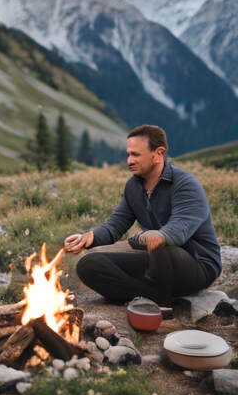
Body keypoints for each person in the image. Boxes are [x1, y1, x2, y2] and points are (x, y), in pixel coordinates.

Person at [64, 125, 221, 310]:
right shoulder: (133, 186)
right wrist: (90, 236)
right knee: (88, 265)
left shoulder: (186, 184)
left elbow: (179, 229)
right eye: (129, 154)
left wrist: (149, 238)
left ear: (158, 153)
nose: (129, 160)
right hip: (157, 263)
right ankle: (151, 296)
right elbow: (116, 224)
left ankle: (158, 303)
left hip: (198, 265)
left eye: (136, 155)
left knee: (159, 243)